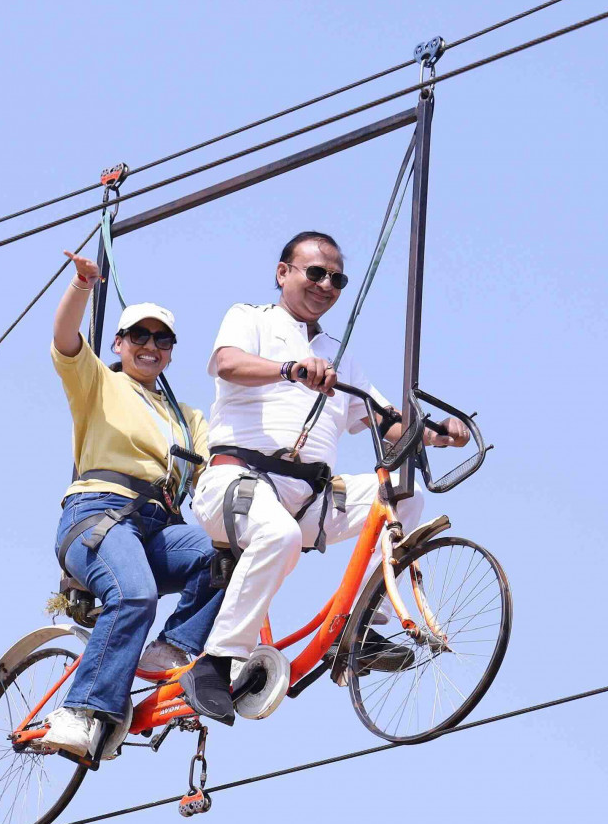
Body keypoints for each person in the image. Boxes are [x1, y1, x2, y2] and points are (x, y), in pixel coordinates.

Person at [178, 231, 470, 721]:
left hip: (309, 496)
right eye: (315, 273)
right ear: (283, 273)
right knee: (279, 535)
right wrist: (290, 369)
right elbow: (227, 363)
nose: (326, 285)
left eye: (337, 279)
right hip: (238, 482)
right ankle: (218, 659)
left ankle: (362, 627)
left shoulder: (338, 353)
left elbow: (384, 418)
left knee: (405, 495)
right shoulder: (250, 317)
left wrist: (439, 433)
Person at [45, 249, 222, 758]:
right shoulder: (99, 382)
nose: (150, 346)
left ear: (171, 352)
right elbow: (64, 339)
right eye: (138, 336)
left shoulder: (187, 418)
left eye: (162, 339)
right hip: (99, 514)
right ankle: (79, 711)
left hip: (157, 527)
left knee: (225, 554)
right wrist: (82, 285)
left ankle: (175, 646)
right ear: (119, 343)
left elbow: (217, 469)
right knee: (134, 594)